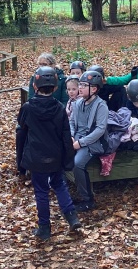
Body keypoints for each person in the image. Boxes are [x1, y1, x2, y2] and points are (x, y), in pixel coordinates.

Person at [17, 66, 82, 240]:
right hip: (55, 156)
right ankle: (72, 217)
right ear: (55, 87)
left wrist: (20, 163)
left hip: (36, 157)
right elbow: (66, 135)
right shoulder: (60, 108)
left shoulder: (28, 108)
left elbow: (21, 130)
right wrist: (68, 159)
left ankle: (44, 228)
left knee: (41, 191)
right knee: (59, 184)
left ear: (35, 86)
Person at [70, 70, 109, 212]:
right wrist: (71, 136)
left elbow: (100, 130)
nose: (80, 88)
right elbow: (72, 122)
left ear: (93, 89)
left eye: (83, 85)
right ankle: (67, 193)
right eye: (80, 84)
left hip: (94, 142)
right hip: (77, 139)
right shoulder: (78, 103)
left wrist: (81, 143)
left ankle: (88, 199)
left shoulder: (101, 106)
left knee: (78, 163)